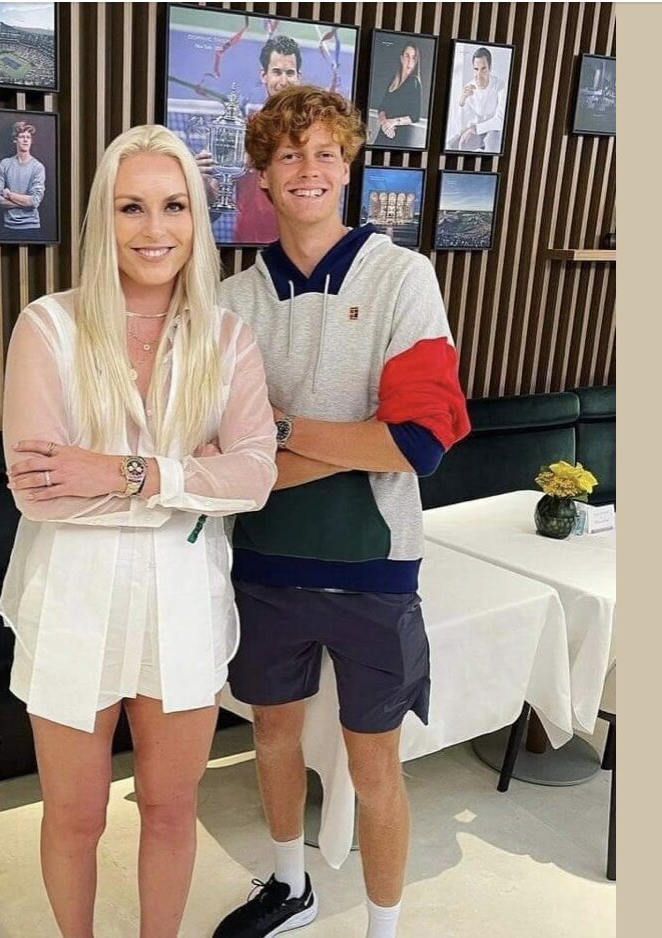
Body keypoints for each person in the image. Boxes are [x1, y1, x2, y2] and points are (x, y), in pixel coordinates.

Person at [0, 124, 277, 938]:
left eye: (174, 206)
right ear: (104, 218)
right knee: (74, 816)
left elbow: (255, 477)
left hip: (184, 599)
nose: (155, 229)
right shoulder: (48, 327)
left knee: (170, 806)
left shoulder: (228, 339)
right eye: (132, 207)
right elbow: (41, 495)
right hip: (72, 599)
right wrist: (193, 478)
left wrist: (124, 473)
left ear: (197, 217)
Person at [212, 86, 470, 938]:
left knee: (375, 768)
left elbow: (419, 443)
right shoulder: (232, 303)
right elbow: (228, 464)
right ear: (263, 175)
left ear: (349, 164)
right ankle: (291, 887)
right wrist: (353, 439)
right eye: (289, 155)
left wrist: (280, 432)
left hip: (374, 568)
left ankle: (383, 930)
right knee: (272, 739)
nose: (308, 169)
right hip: (264, 566)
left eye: (325, 151)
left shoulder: (402, 278)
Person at [196, 33, 303, 244]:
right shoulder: (243, 130)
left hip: (298, 247)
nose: (284, 81)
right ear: (264, 75)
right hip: (248, 246)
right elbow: (214, 211)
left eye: (290, 73)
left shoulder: (313, 133)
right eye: (277, 72)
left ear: (298, 76)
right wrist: (203, 181)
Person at [0, 120, 47, 239]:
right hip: (8, 227)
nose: (25, 140)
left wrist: (9, 195)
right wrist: (24, 202)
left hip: (31, 228)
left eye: (28, 137)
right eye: (22, 137)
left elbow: (34, 202)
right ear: (15, 140)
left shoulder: (38, 167)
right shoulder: (5, 164)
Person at [446, 46, 507, 153]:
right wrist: (462, 101)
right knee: (452, 145)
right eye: (476, 69)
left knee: (492, 140)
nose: (479, 74)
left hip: (493, 131)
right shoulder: (468, 88)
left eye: (483, 69)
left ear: (490, 68)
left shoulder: (500, 86)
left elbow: (500, 120)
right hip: (476, 132)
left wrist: (475, 128)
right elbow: (460, 126)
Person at [373, 43, 422, 147]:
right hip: (385, 131)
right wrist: (384, 123)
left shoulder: (414, 82)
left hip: (399, 136)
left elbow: (415, 116)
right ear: (401, 58)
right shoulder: (394, 79)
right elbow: (382, 107)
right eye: (407, 56)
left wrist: (393, 122)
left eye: (413, 58)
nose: (410, 61)